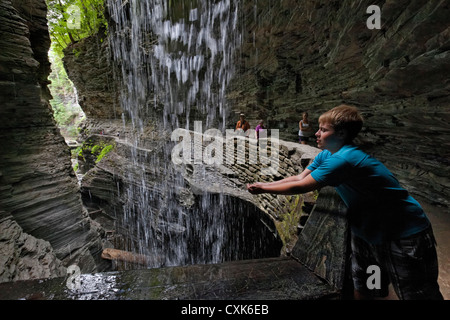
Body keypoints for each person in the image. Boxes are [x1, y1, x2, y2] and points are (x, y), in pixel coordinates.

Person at [247, 104, 443, 300]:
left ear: (341, 134)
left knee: (418, 293)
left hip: (402, 235)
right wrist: (264, 184)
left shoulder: (344, 159)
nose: (316, 133)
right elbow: (299, 178)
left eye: (323, 130)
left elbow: (302, 187)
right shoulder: (327, 154)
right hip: (367, 234)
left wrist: (263, 189)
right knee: (368, 286)